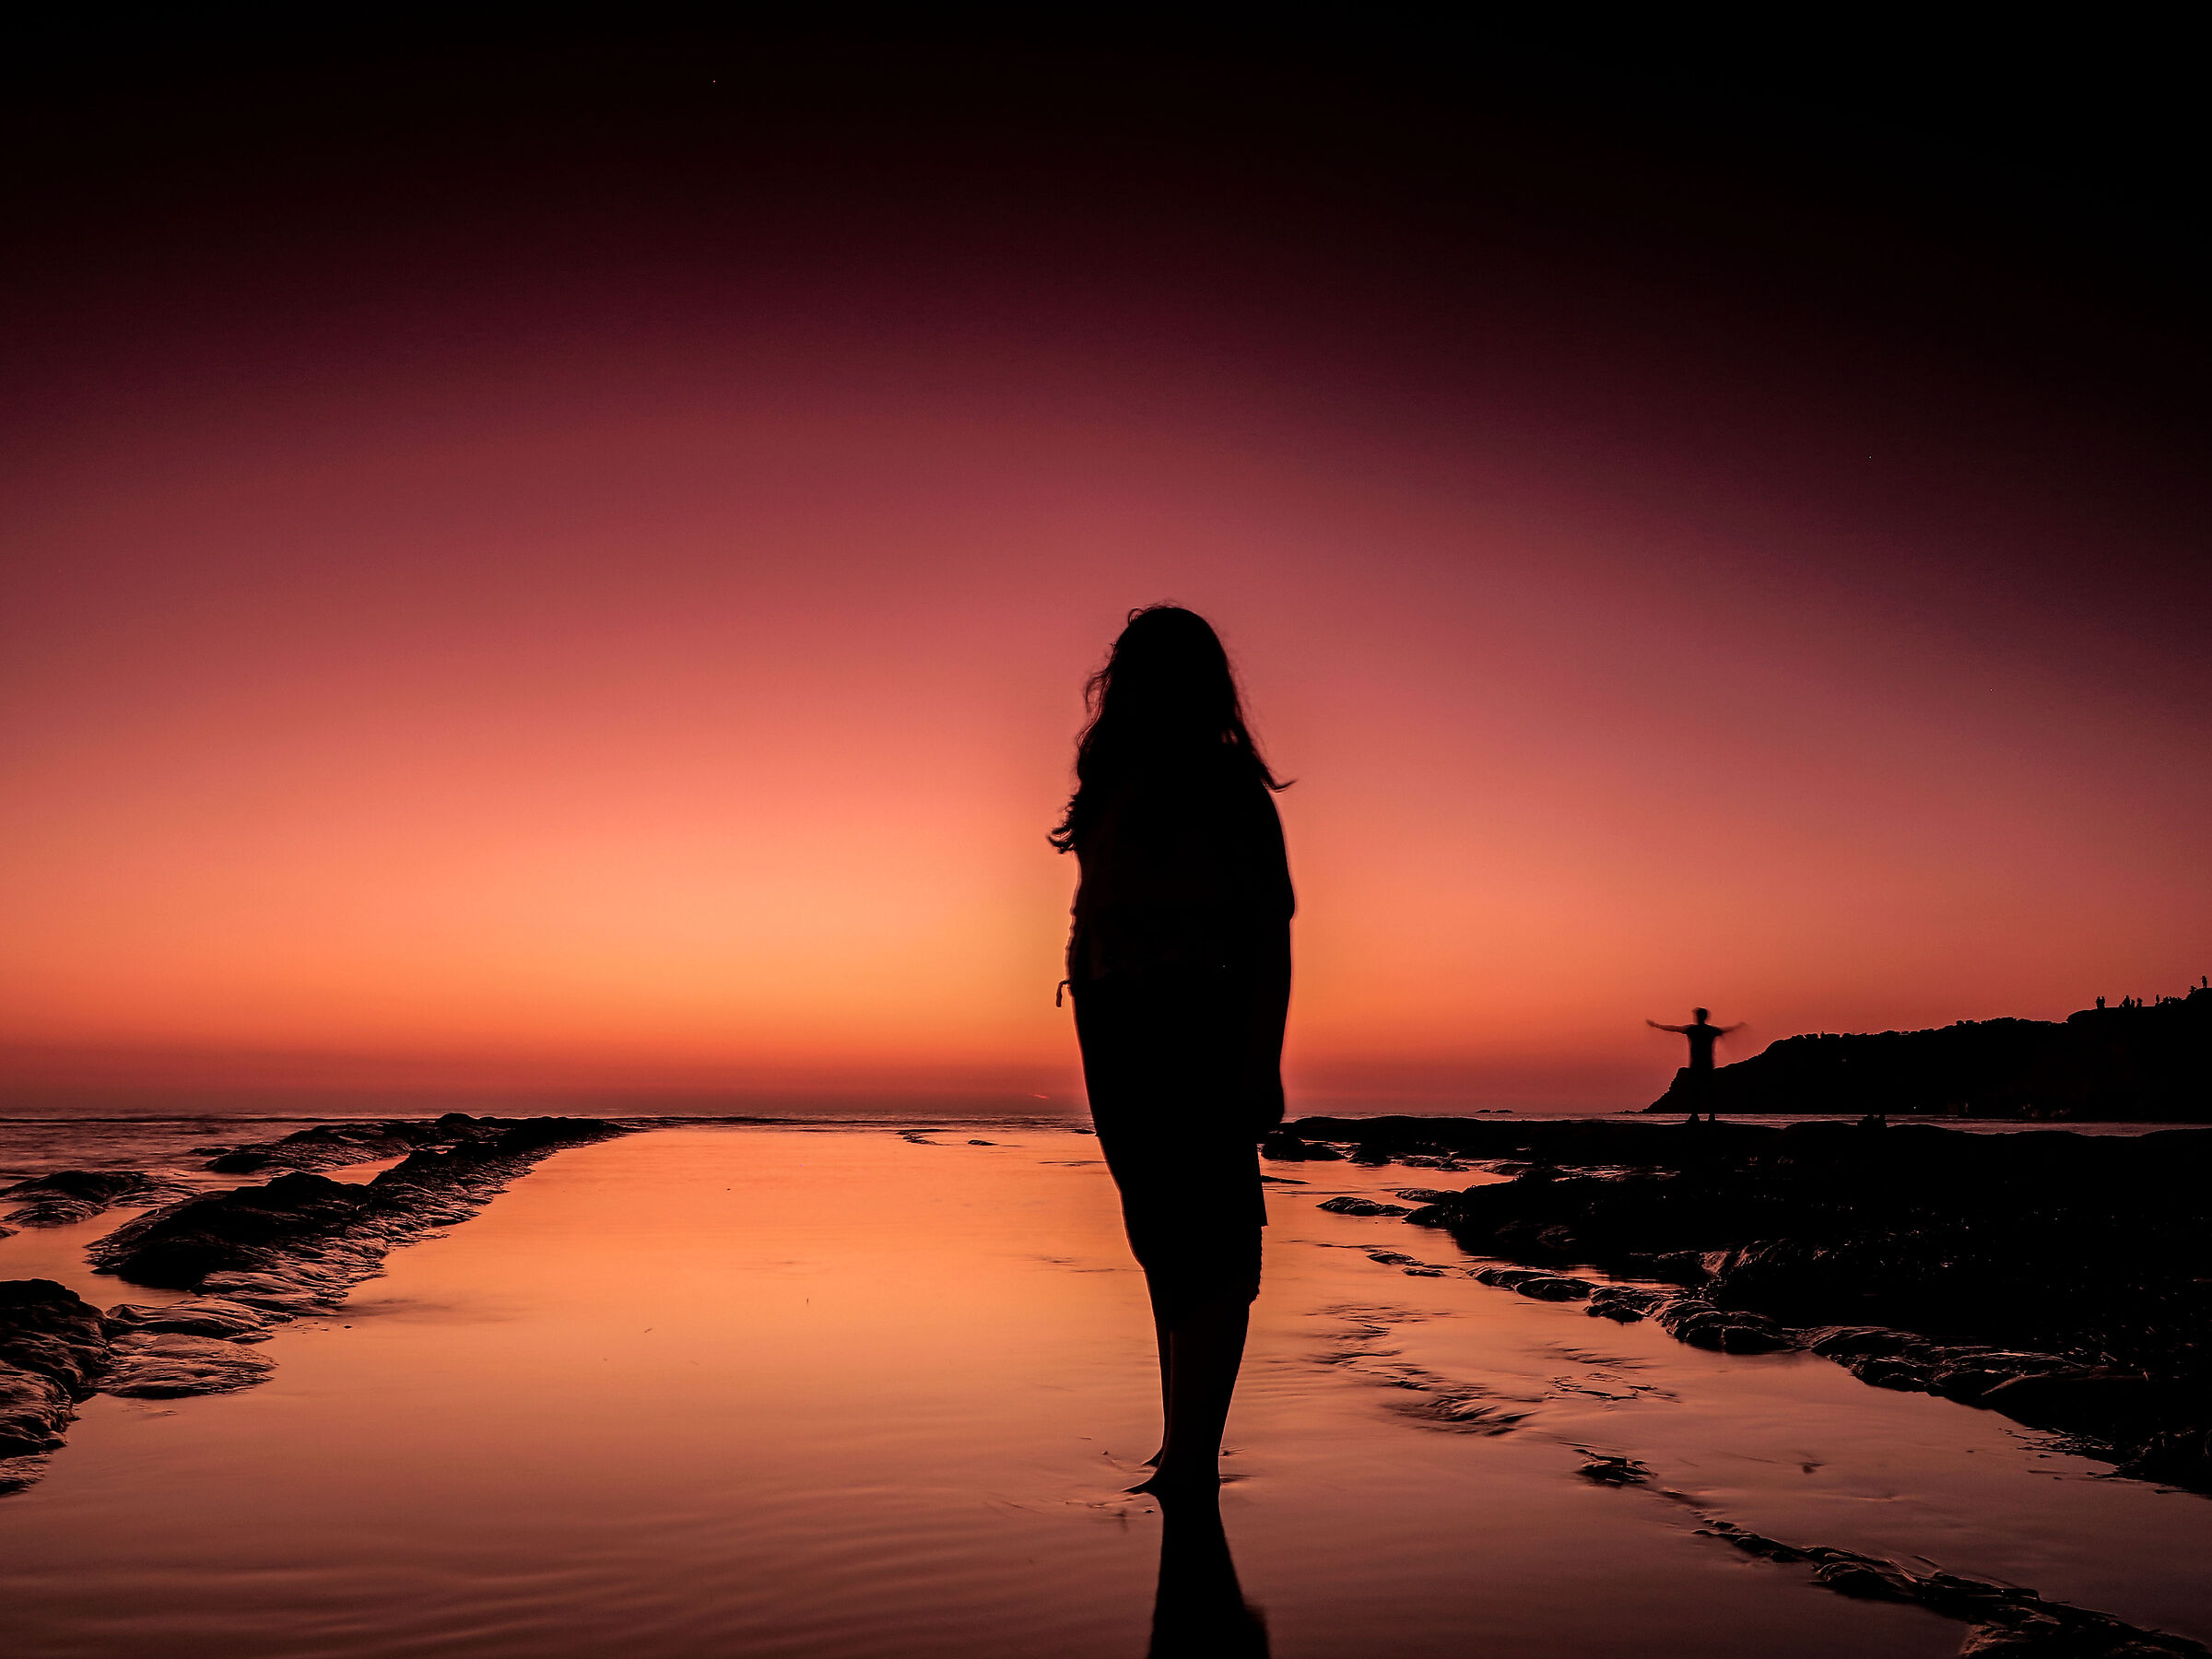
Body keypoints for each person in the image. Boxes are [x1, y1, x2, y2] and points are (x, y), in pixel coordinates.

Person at [1053, 605, 1293, 1492]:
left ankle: (1193, 1455)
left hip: (1200, 1020)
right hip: (1116, 1026)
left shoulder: (1226, 784)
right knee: (1165, 1235)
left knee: (1219, 1242)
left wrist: (1261, 1059)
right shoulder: (1108, 787)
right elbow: (1090, 921)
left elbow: (1271, 927)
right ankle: (1180, 1443)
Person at [1646, 1007, 1742, 1122]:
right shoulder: (1710, 1030)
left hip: (1697, 1066)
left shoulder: (1693, 1029)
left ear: (1699, 1017)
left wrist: (1657, 1025)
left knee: (1696, 1091)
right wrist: (1737, 1027)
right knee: (1707, 1091)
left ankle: (1697, 1115)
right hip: (1707, 1066)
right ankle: (1710, 1116)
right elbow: (1726, 1030)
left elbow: (1673, 1028)